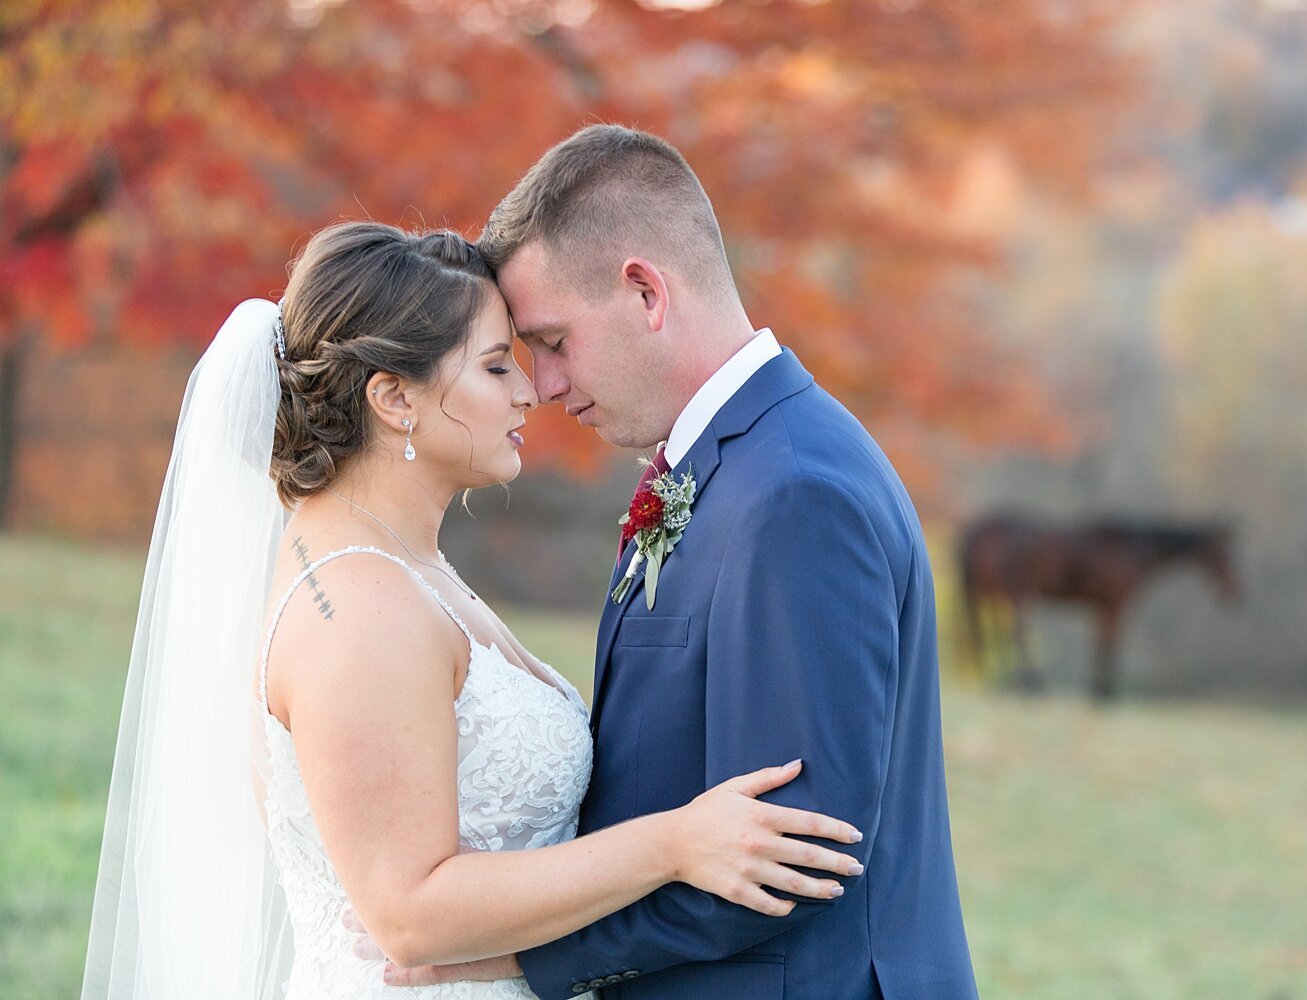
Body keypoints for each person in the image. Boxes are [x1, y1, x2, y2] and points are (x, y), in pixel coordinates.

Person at [80, 221, 862, 1000]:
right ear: (394, 398)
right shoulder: (358, 608)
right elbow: (410, 917)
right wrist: (675, 843)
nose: (531, 389)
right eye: (495, 367)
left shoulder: (409, 569)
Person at [392, 124, 979, 999]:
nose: (543, 386)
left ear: (644, 293)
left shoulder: (793, 494)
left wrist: (523, 958)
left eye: (551, 341)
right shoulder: (734, 465)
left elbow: (792, 854)